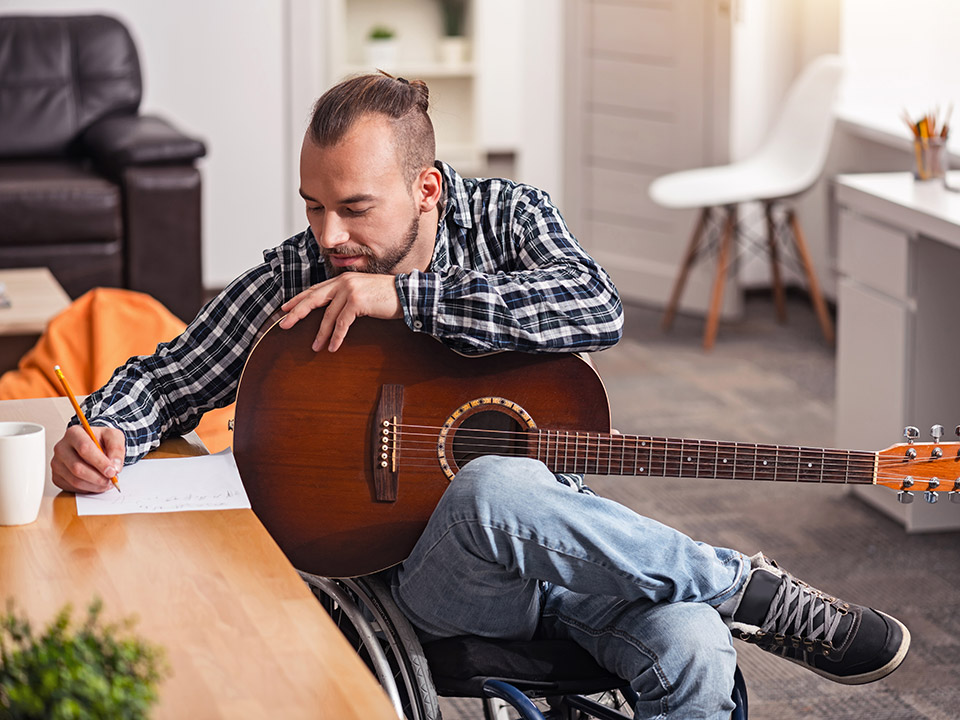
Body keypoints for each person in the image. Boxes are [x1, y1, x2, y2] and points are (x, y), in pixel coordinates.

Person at [52, 73, 909, 719]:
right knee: (491, 487)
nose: (329, 237)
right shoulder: (301, 271)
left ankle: (723, 607)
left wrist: (411, 300)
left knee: (692, 645)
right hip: (432, 583)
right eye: (312, 207)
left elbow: (596, 306)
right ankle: (754, 593)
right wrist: (106, 430)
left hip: (577, 556)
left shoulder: (507, 218)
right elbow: (164, 377)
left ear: (427, 189)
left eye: (353, 208)